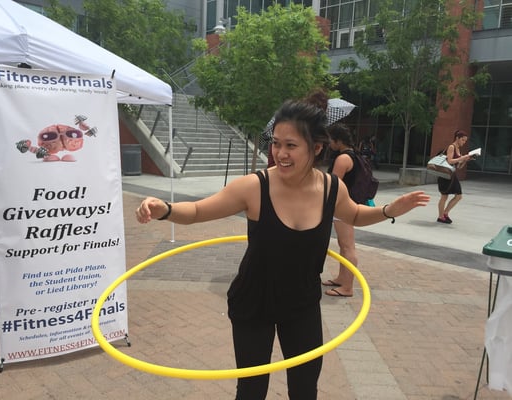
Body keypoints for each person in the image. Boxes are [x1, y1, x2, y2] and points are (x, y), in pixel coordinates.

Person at [136, 99, 430, 399]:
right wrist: (165, 209)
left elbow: (354, 214)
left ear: (316, 148)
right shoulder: (254, 187)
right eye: (276, 143)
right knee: (251, 390)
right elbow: (198, 210)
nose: (280, 153)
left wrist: (388, 210)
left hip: (302, 303)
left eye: (291, 145)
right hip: (254, 300)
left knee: (304, 389)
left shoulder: (332, 188)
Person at [323, 123, 359, 297]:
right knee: (344, 245)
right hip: (346, 205)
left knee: (347, 246)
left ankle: (347, 287)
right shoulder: (353, 155)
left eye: (331, 140)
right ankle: (342, 278)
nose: (329, 143)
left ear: (338, 140)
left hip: (342, 207)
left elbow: (333, 185)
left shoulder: (343, 159)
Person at [436, 130, 473, 224]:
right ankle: (441, 217)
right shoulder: (451, 147)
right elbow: (450, 161)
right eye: (463, 140)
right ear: (457, 138)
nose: (464, 142)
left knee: (458, 196)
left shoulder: (458, 149)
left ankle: (445, 213)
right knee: (444, 196)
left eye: (465, 141)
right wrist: (461, 158)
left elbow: (459, 166)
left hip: (452, 175)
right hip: (445, 174)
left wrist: (465, 160)